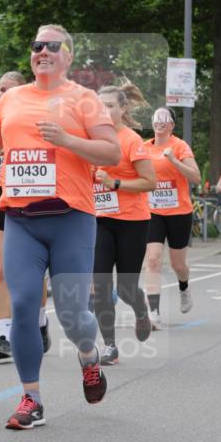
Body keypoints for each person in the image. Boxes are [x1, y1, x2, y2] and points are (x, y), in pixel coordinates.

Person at [0, 24, 120, 430]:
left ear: (69, 55)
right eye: (37, 45)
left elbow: (112, 152)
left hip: (71, 219)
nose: (42, 51)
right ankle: (31, 398)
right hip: (21, 218)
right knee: (22, 306)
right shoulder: (13, 99)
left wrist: (68, 140)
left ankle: (88, 358)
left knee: (73, 315)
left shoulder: (85, 100)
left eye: (52, 45)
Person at [0, 71, 50, 362]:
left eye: (9, 89)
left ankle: (41, 320)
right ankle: (4, 335)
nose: (3, 93)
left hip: (30, 200)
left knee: (35, 270)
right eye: (0, 88)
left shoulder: (31, 117)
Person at [91, 82, 156, 365]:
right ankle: (110, 347)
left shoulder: (131, 140)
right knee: (101, 286)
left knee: (127, 288)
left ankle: (141, 311)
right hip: (99, 221)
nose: (104, 111)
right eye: (99, 106)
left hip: (132, 221)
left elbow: (150, 182)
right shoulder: (89, 138)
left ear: (123, 109)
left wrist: (114, 182)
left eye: (110, 106)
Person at [144, 107, 201, 327]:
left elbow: (195, 176)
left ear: (171, 125)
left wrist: (175, 161)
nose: (159, 122)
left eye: (164, 119)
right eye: (156, 118)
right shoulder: (144, 147)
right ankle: (154, 313)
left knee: (179, 265)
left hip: (179, 212)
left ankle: (184, 286)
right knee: (153, 259)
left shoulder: (179, 146)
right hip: (153, 211)